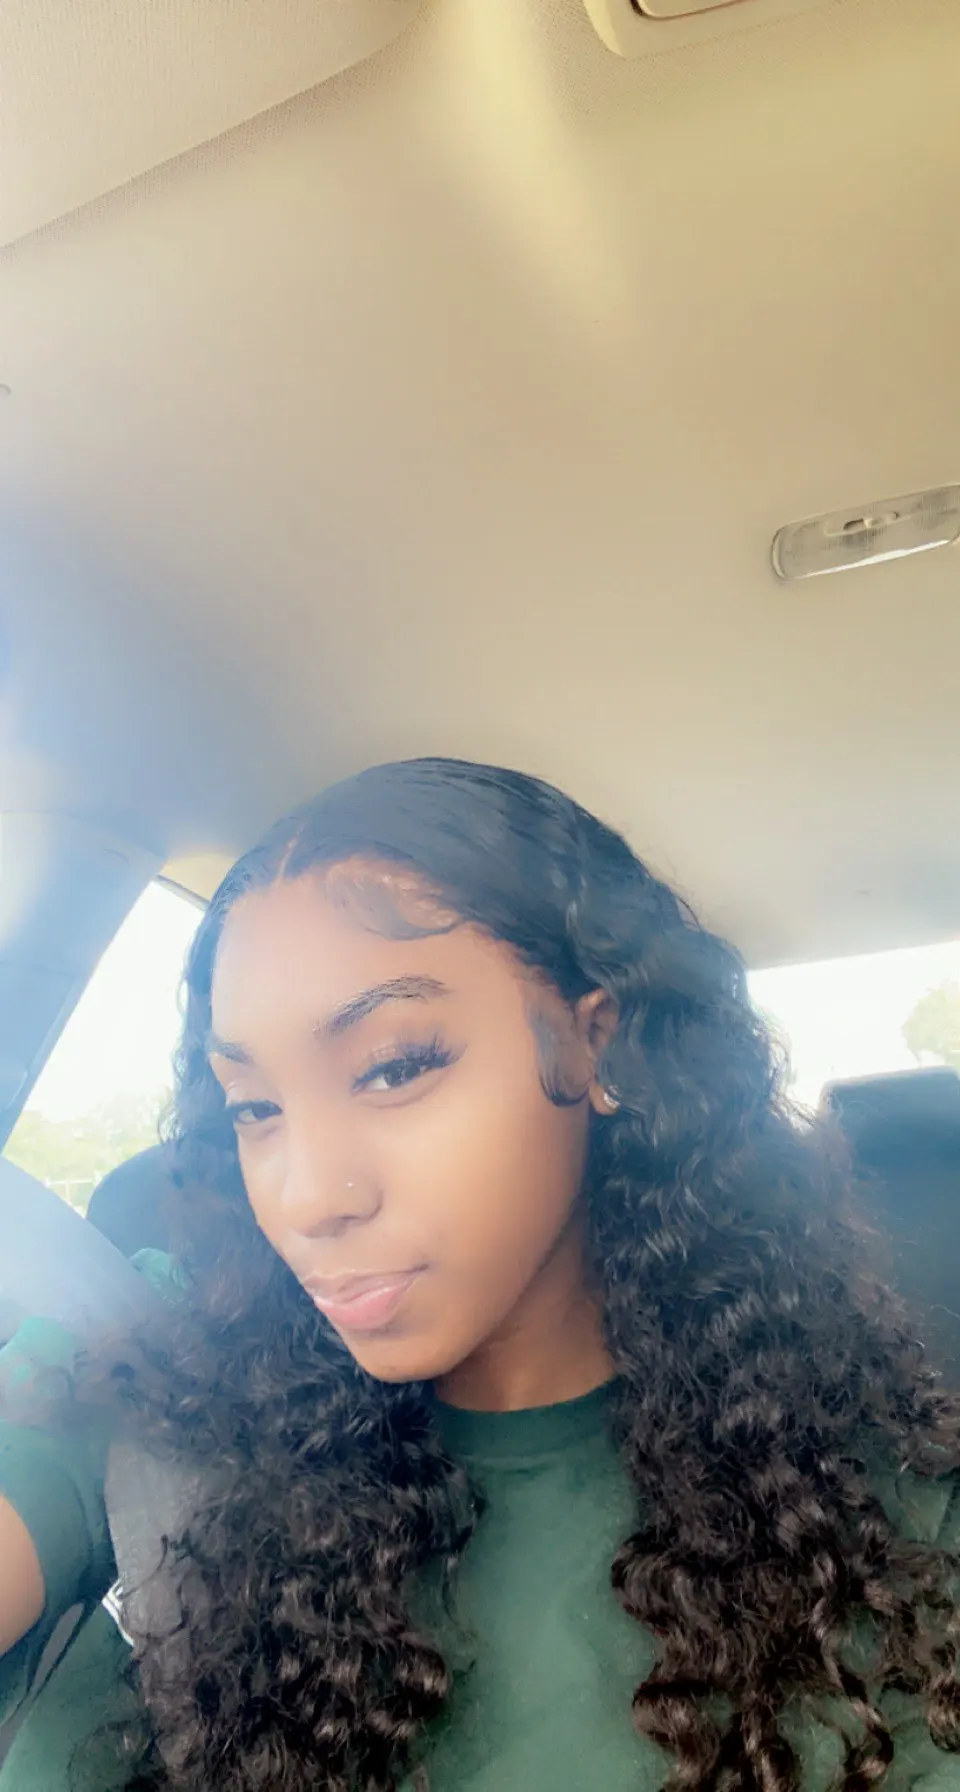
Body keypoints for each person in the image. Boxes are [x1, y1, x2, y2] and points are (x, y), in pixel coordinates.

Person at [2, 755, 960, 1792]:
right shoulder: (161, 1391)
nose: (308, 1196)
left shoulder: (897, 1536)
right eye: (256, 1108)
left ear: (596, 1047)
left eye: (394, 1068)